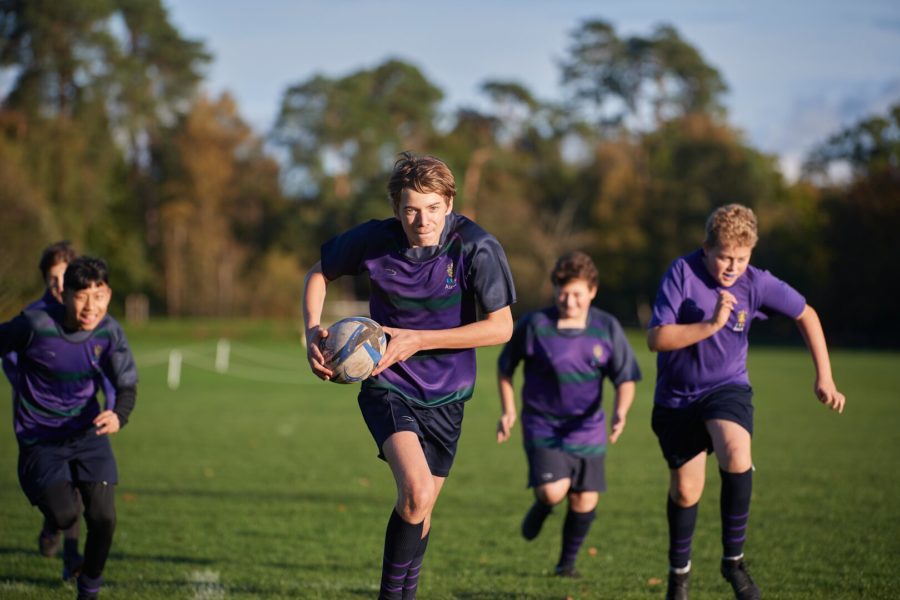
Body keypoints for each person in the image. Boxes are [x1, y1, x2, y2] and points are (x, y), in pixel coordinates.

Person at [303, 152, 516, 599]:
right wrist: (310, 330)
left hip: (448, 395)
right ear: (396, 208)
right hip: (388, 383)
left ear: (450, 203)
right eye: (411, 209)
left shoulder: (476, 246)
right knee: (417, 493)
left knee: (421, 509)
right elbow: (320, 273)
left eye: (433, 208)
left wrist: (419, 339)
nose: (422, 220)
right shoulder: (376, 240)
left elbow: (502, 327)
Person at [646, 204, 845, 600]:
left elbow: (807, 314)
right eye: (724, 257)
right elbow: (657, 339)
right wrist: (712, 325)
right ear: (706, 248)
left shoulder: (756, 282)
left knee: (737, 453)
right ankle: (678, 576)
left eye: (741, 258)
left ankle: (733, 563)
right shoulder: (681, 273)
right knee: (687, 492)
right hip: (677, 399)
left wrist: (825, 375)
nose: (732, 267)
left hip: (727, 387)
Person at [0, 256, 139, 600]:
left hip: (88, 433)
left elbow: (127, 383)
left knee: (104, 517)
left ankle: (88, 589)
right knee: (65, 515)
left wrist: (119, 414)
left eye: (100, 294)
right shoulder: (34, 324)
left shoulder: (109, 331)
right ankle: (53, 524)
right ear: (64, 295)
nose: (92, 306)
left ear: (109, 294)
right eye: (82, 296)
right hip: (40, 439)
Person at [496, 250, 641, 578]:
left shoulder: (607, 327)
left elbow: (626, 378)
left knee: (584, 500)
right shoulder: (535, 325)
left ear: (593, 291)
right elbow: (505, 368)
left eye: (577, 294)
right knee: (554, 490)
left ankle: (566, 564)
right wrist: (508, 411)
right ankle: (544, 504)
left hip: (588, 427)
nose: (570, 301)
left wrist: (621, 412)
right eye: (563, 292)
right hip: (542, 423)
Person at [1, 241, 85, 577]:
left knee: (78, 482)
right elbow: (8, 356)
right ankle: (52, 524)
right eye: (53, 279)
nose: (60, 285)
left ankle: (72, 560)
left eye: (65, 276)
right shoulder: (33, 316)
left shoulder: (87, 313)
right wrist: (28, 387)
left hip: (78, 415)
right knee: (58, 491)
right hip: (38, 420)